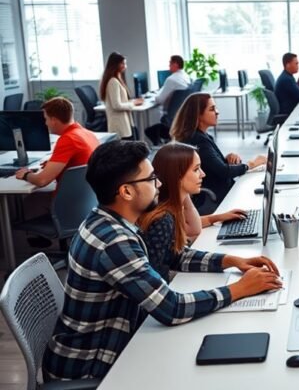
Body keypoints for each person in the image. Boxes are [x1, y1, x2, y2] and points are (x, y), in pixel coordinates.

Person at [42, 140, 282, 380]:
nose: (158, 184)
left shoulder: (110, 221)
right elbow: (172, 308)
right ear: (126, 191)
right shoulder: (114, 242)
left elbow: (173, 255)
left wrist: (231, 260)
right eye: (150, 179)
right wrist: (239, 289)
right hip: (90, 368)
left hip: (111, 345)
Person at [138, 142, 253, 281]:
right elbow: (157, 279)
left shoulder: (170, 207)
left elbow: (188, 236)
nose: (202, 174)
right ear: (177, 176)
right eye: (196, 169)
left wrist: (183, 192)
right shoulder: (161, 219)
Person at [170, 93, 266, 213]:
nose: (217, 112)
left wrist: (226, 159)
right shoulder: (198, 140)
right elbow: (223, 171)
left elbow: (211, 165)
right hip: (213, 198)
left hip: (219, 191)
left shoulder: (201, 136)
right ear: (198, 115)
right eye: (212, 109)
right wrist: (251, 164)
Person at [15, 97, 99, 189]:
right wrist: (53, 165)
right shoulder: (87, 133)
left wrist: (26, 174)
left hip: (68, 198)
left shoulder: (68, 139)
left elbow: (41, 180)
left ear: (54, 120)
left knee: (28, 200)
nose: (45, 123)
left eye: (46, 119)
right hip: (86, 197)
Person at [145, 55, 192, 145]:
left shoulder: (171, 79)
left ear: (175, 64)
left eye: (170, 63)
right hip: (182, 115)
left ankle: (158, 145)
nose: (169, 66)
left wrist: (153, 96)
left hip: (172, 118)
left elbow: (159, 99)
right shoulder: (186, 76)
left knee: (149, 130)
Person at [99, 52, 144, 140]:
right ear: (115, 65)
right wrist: (133, 104)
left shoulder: (117, 79)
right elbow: (116, 105)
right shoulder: (113, 82)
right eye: (123, 63)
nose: (125, 66)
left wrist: (132, 102)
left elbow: (121, 102)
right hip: (119, 124)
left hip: (123, 123)